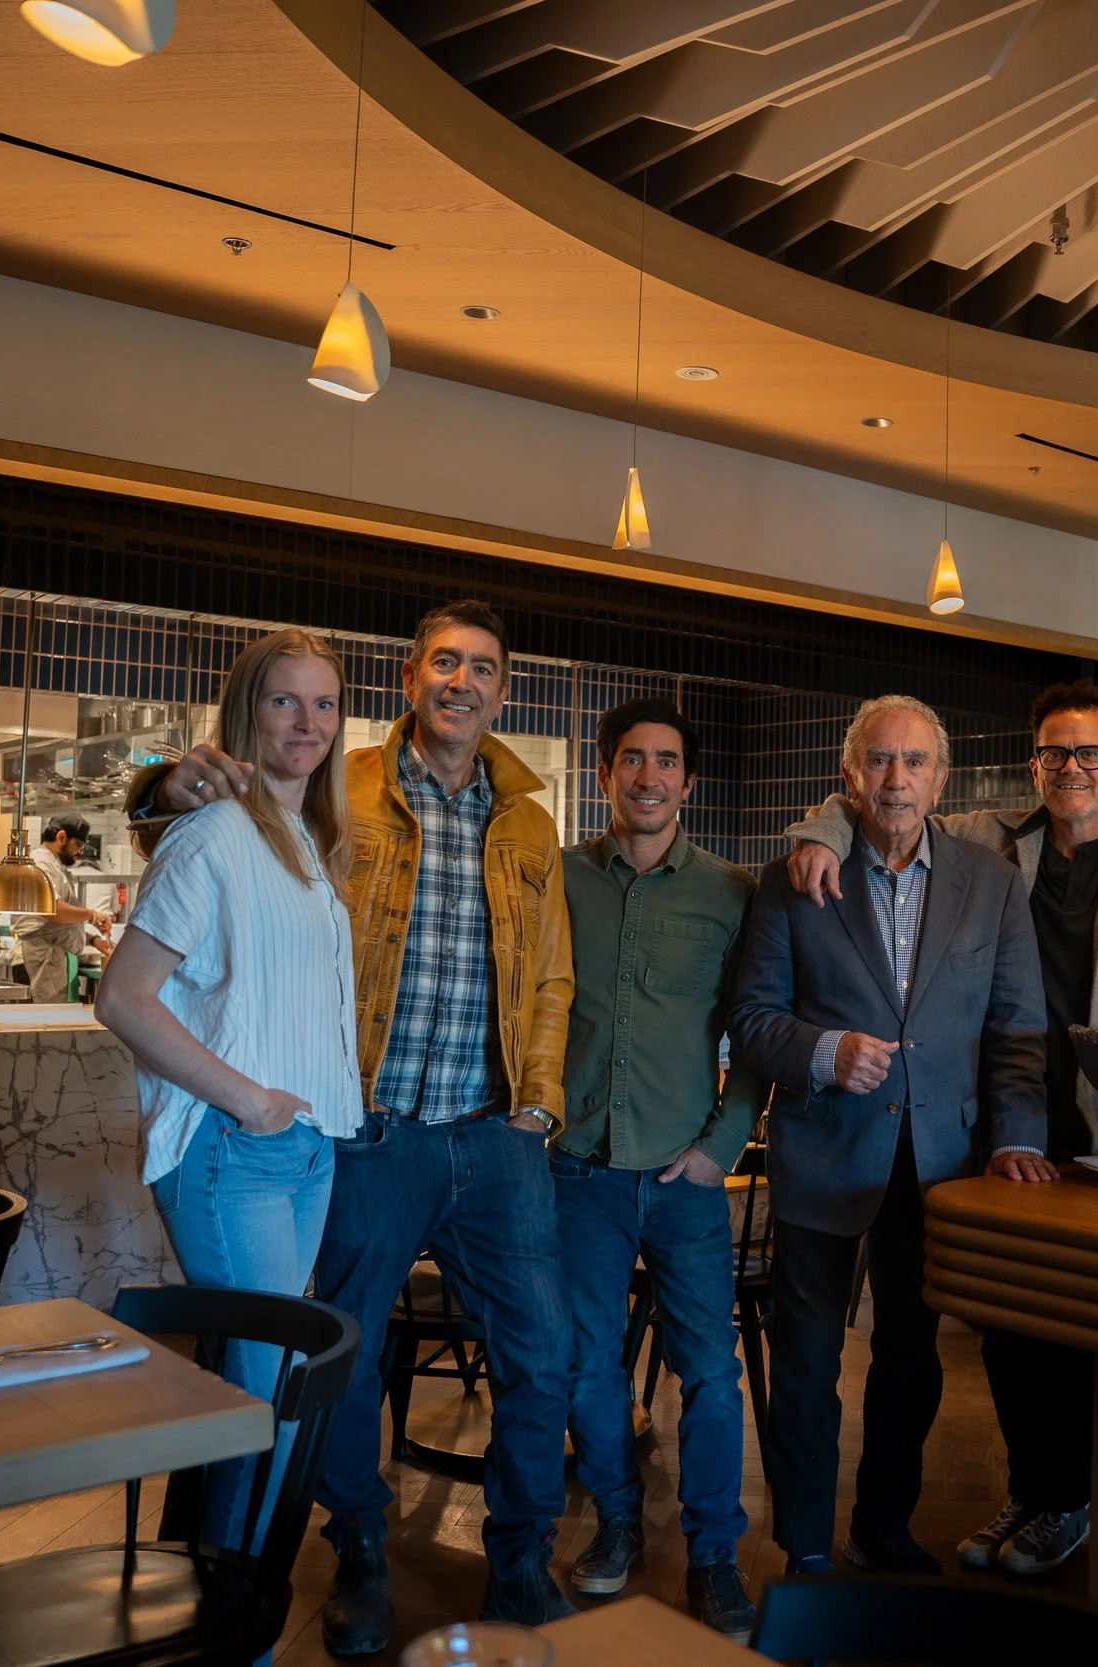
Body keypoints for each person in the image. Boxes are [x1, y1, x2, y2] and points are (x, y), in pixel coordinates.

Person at [135, 599, 576, 1645]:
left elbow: (550, 972)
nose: (462, 682)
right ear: (410, 677)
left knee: (543, 1352)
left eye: (483, 668)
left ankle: (518, 1559)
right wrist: (164, 781)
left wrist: (541, 1099)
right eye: (444, 663)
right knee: (340, 1357)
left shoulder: (528, 819)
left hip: (493, 1132)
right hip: (369, 1130)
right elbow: (209, 823)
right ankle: (361, 1545)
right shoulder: (346, 789)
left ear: (502, 691)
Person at [782, 678, 1098, 1577]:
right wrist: (824, 827)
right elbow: (886, 800)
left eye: (1091, 751)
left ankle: (1080, 1498)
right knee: (1013, 1321)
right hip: (1000, 1130)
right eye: (1056, 751)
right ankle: (1037, 1491)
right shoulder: (991, 842)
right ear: (1035, 764)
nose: (1073, 767)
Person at [729, 694, 1050, 1577]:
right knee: (806, 1364)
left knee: (912, 1361)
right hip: (822, 1156)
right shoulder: (791, 879)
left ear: (941, 779)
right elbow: (751, 1020)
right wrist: (826, 1052)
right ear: (849, 774)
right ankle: (803, 1545)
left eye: (914, 763)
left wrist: (1016, 1134)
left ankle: (883, 1526)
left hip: (941, 1167)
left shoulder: (992, 883)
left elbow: (1018, 1029)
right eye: (879, 760)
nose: (896, 779)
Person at [96, 628, 361, 1550]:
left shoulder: (308, 843)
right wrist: (250, 1100)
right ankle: (235, 1619)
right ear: (246, 711)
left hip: (302, 1149)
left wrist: (299, 1117)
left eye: (324, 703)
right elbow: (122, 998)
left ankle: (227, 1594)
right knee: (271, 1393)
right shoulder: (212, 836)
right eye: (284, 700)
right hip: (229, 1152)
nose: (307, 721)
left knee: (270, 1388)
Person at [554, 696, 762, 1641]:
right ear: (603, 775)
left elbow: (754, 1038)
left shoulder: (732, 892)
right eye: (631, 759)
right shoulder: (556, 881)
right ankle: (618, 1523)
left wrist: (718, 1148)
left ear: (689, 781)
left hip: (684, 1177)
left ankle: (715, 1550)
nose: (649, 776)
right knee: (587, 1365)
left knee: (711, 1371)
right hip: (579, 1170)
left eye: (666, 761)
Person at [13, 812, 111, 1001]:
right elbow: (53, 910)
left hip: (51, 960)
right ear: (61, 837)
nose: (81, 852)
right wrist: (92, 915)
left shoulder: (54, 864)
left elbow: (57, 924)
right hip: (41, 961)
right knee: (45, 1026)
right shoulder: (40, 863)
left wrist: (93, 940)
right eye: (79, 845)